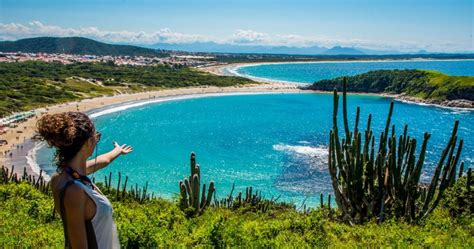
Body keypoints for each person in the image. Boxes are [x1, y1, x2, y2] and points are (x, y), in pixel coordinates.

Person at [36, 112, 133, 248]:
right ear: (88, 142)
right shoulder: (74, 191)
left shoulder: (63, 176)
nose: (97, 140)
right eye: (96, 137)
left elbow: (102, 160)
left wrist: (117, 150)